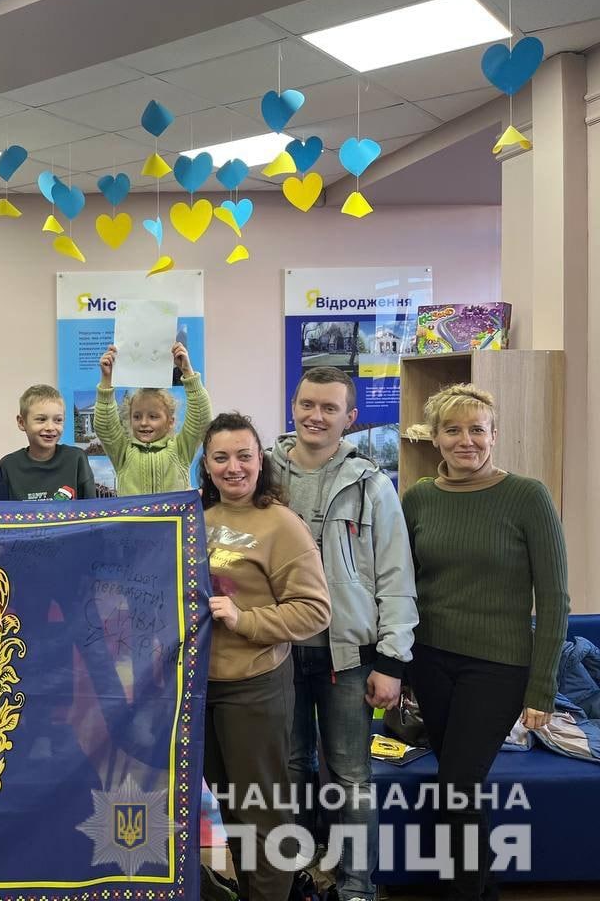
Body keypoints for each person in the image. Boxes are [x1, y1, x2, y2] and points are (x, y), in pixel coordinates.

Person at [402, 383, 568, 901]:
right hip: (429, 661)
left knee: (457, 785)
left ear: (494, 435)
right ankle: (481, 890)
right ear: (435, 438)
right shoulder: (418, 498)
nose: (466, 440)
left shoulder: (528, 497)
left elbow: (555, 598)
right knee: (460, 788)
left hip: (498, 667)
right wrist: (398, 664)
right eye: (452, 430)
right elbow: (401, 584)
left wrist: (542, 689)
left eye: (477, 429)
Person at [269, 367, 417, 901]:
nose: (316, 416)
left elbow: (396, 576)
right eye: (307, 404)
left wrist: (392, 661)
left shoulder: (372, 484)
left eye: (329, 408)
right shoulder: (261, 475)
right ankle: (297, 878)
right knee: (288, 771)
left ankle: (356, 888)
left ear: (350, 418)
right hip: (276, 654)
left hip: (349, 657)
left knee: (351, 778)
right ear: (293, 406)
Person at [199, 412, 331, 901]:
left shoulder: (282, 525)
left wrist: (244, 619)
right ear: (206, 465)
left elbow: (315, 611)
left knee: (264, 814)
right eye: (221, 458)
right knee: (232, 811)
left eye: (244, 456)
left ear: (261, 460)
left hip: (254, 686)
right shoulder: (198, 520)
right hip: (202, 686)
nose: (233, 467)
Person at [95, 341, 211, 495]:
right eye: (137, 416)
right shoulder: (123, 452)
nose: (144, 423)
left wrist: (187, 372)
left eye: (153, 416)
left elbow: (201, 419)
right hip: (133, 513)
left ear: (170, 422)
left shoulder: (180, 450)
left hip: (174, 513)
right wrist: (106, 379)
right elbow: (105, 426)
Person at [0, 384, 96, 501]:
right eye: (41, 419)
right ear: (21, 422)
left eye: (58, 420)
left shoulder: (76, 459)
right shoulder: (8, 465)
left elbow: (92, 507)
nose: (50, 427)